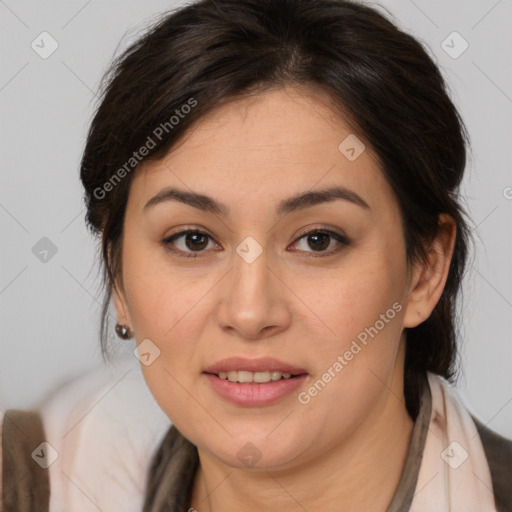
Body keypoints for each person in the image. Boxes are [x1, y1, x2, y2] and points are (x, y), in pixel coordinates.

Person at [1, 0, 511, 511]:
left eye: (318, 240)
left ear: (424, 269)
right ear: (118, 275)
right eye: (193, 240)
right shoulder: (37, 481)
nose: (249, 313)